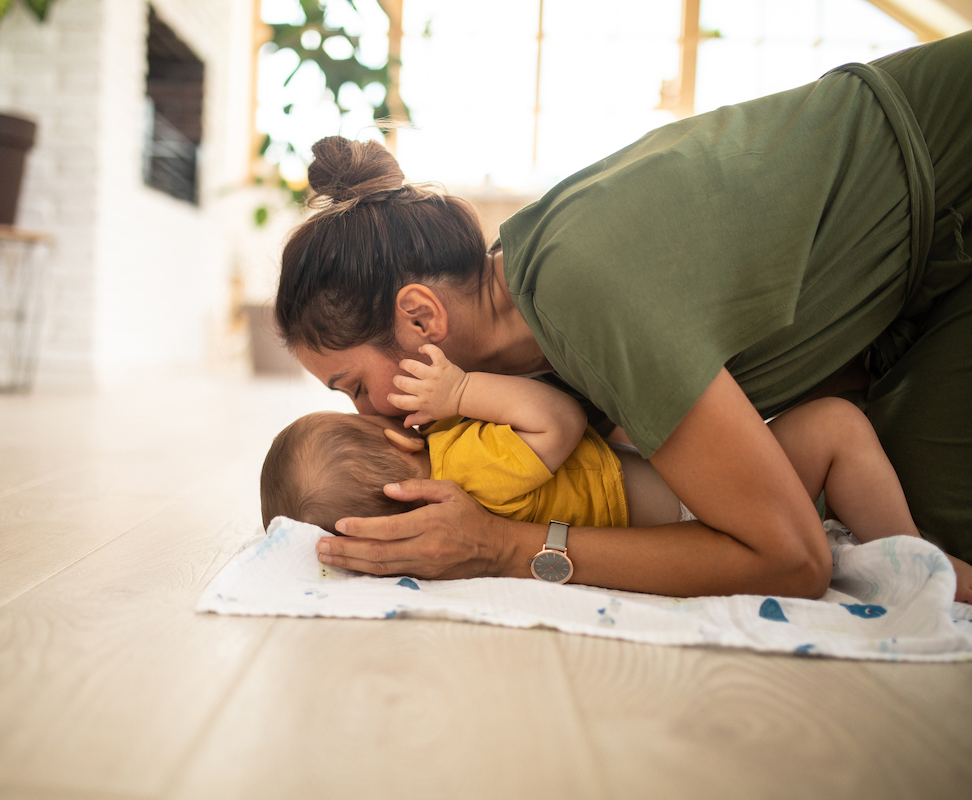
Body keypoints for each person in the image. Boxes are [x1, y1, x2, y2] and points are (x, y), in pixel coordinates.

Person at [273, 32, 972, 601]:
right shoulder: (536, 339)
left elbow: (794, 562)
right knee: (921, 535)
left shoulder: (582, 288)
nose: (371, 419)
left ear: (421, 318)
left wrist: (505, 548)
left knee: (936, 562)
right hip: (903, 297)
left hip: (951, 170)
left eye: (354, 386)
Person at [261, 344, 968, 598]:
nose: (381, 410)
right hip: (697, 509)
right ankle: (924, 563)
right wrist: (461, 393)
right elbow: (558, 422)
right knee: (838, 427)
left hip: (666, 503)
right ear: (402, 458)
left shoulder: (463, 490)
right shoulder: (464, 462)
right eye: (362, 415)